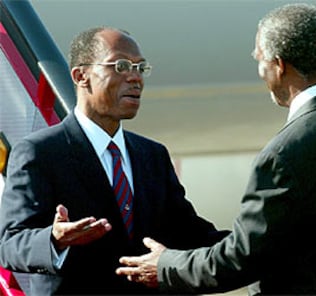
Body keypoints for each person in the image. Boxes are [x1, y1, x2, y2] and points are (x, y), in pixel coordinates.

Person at [115, 3, 316, 295]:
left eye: (259, 60)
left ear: (279, 65)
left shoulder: (285, 153)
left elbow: (240, 260)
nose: (260, 72)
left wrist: (165, 265)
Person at [0, 27, 228, 295]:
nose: (135, 78)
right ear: (81, 76)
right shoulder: (40, 152)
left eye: (141, 68)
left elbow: (189, 234)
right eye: (121, 66)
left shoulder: (152, 155)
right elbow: (10, 245)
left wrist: (258, 242)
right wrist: (54, 239)